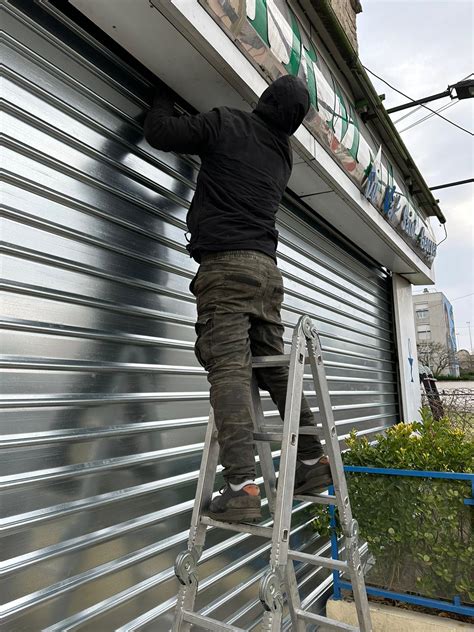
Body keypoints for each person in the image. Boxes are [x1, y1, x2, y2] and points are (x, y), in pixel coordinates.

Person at [144, 75, 332, 523]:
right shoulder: (282, 155)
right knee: (273, 368)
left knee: (228, 367)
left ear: (264, 99)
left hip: (226, 266)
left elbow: (161, 134)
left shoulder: (228, 124)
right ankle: (311, 460)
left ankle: (241, 485)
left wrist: (159, 98)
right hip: (267, 272)